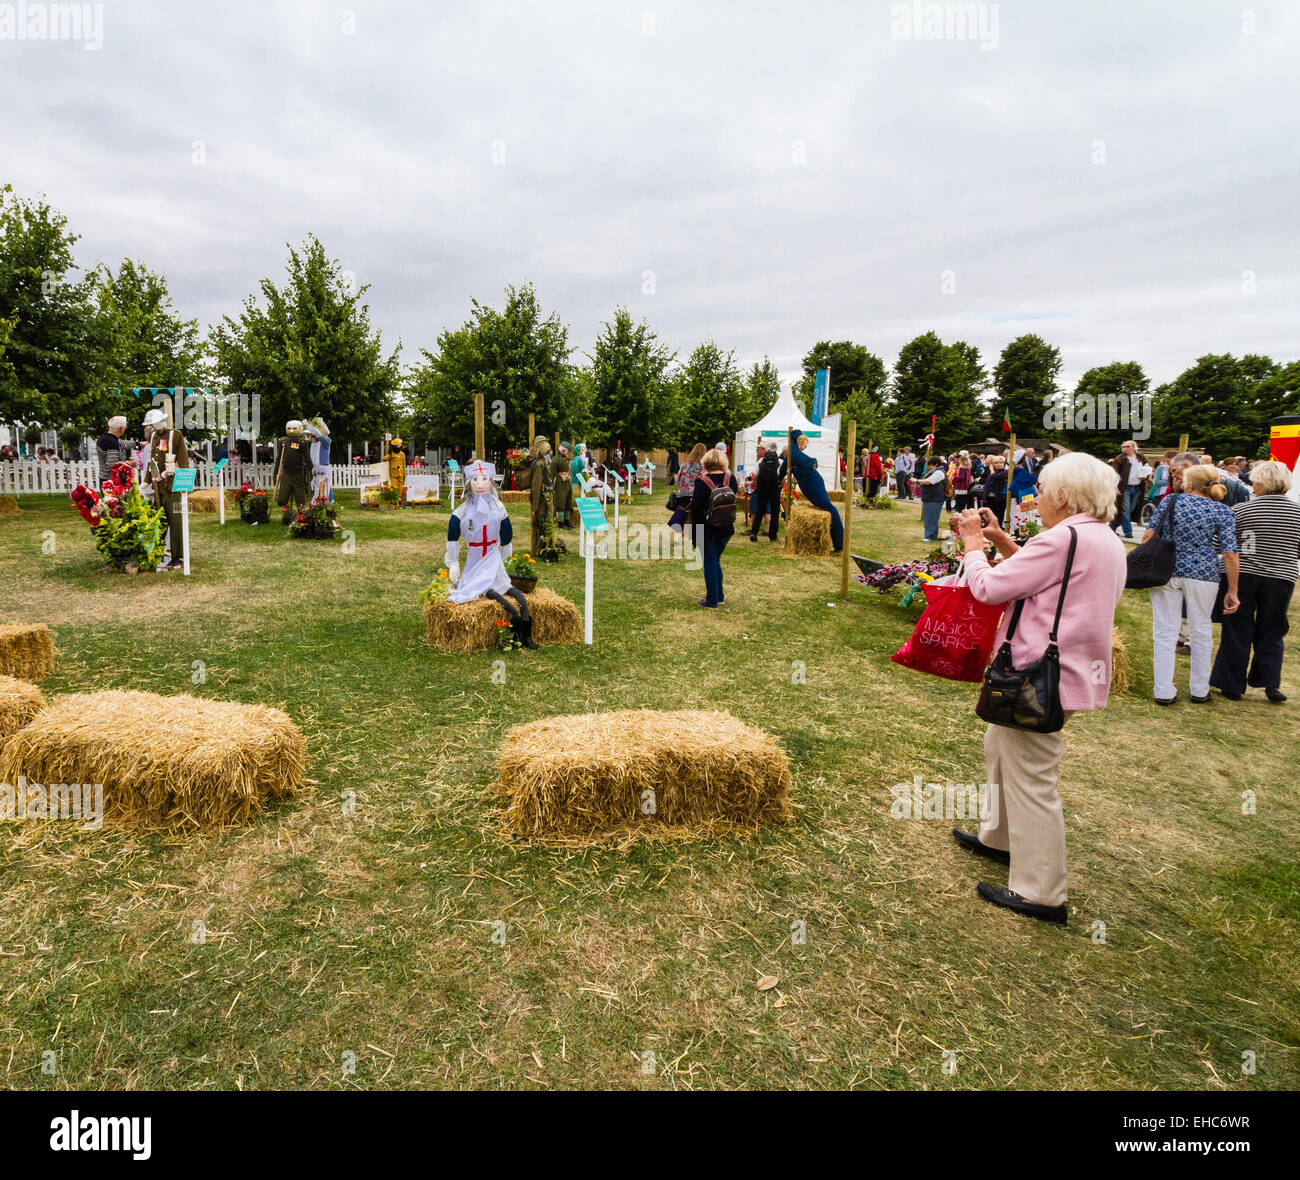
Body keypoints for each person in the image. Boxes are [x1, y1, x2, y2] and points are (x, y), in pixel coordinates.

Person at [950, 452, 1128, 925]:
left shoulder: (1064, 538)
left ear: (1064, 497)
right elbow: (1045, 577)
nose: (1036, 499)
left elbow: (990, 589)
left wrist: (972, 544)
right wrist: (1002, 540)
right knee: (1002, 748)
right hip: (1061, 671)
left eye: (1044, 492)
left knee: (1031, 774)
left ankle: (1042, 891)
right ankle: (1000, 838)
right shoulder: (1099, 538)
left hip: (1036, 673)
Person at [1143, 464, 1240, 705]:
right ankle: (1199, 689)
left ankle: (1163, 690)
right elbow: (1230, 553)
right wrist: (1233, 589)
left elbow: (1148, 534)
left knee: (1165, 630)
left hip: (1167, 567)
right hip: (1204, 572)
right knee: (1201, 629)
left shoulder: (1171, 501)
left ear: (1188, 484)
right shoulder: (1223, 511)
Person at [1209, 461, 1300, 702]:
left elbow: (1220, 544)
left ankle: (1231, 684)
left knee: (1237, 628)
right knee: (1272, 629)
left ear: (1261, 483)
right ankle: (1269, 682)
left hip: (1243, 574)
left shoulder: (1242, 510)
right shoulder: (1297, 514)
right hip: (1281, 577)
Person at [445, 459, 537, 649]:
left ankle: (526, 631)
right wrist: (453, 562)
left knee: (515, 594)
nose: (480, 483)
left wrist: (505, 556)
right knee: (498, 597)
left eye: (484, 479)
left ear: (491, 481)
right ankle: (515, 631)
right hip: (476, 561)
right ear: (470, 482)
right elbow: (453, 534)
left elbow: (507, 534)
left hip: (494, 559)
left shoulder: (498, 508)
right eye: (476, 479)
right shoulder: (462, 512)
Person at [143, 409, 190, 571]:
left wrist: (184, 484)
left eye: (155, 423)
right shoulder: (155, 437)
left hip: (172, 485)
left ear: (162, 421)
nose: (153, 427)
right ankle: (159, 552)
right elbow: (151, 462)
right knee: (160, 521)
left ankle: (178, 556)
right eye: (151, 425)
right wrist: (145, 482)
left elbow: (183, 459)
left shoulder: (176, 435)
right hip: (157, 486)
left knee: (175, 521)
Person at [690, 448, 737, 607]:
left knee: (710, 563)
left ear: (706, 462)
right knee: (715, 561)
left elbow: (696, 506)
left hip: (706, 528)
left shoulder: (702, 482)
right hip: (726, 526)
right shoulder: (731, 479)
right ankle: (719, 596)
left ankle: (712, 600)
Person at [789, 432, 844, 552]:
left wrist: (813, 463)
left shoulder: (795, 454)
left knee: (830, 509)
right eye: (804, 444)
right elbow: (787, 466)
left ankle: (840, 544)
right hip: (811, 485)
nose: (805, 447)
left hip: (814, 485)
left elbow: (812, 462)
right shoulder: (793, 453)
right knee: (829, 508)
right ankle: (839, 543)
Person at [1110, 441, 1152, 539]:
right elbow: (1113, 470)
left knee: (1129, 511)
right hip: (1125, 489)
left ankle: (1111, 528)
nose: (1125, 448)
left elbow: (1147, 468)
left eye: (1127, 446)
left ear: (1133, 447)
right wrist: (1111, 462)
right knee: (1125, 510)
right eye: (1124, 447)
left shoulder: (1140, 458)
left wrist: (1145, 476)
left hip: (1137, 488)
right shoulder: (1120, 459)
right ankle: (1128, 532)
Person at [274, 421, 313, 514]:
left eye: (294, 428)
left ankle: (301, 514)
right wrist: (275, 472)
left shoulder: (302, 441)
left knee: (300, 497)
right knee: (281, 499)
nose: (291, 430)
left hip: (298, 473)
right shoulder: (283, 441)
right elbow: (279, 458)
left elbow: (307, 458)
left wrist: (312, 471)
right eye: (289, 428)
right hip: (286, 473)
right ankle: (287, 510)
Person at [749, 441, 782, 542]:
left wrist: (757, 487)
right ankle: (773, 536)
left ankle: (754, 533)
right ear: (776, 449)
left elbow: (754, 475)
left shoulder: (761, 460)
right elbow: (783, 478)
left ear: (766, 450)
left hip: (762, 488)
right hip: (775, 489)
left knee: (760, 510)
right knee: (775, 512)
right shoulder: (780, 462)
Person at [670, 443, 705, 534]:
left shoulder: (685, 462)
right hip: (696, 494)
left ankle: (678, 538)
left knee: (682, 515)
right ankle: (693, 536)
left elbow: (678, 477)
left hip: (683, 493)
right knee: (694, 516)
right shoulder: (703, 466)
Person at [95, 415, 131, 487]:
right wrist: (128, 463)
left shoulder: (108, 438)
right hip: (112, 483)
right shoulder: (110, 442)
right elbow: (113, 465)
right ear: (121, 429)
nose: (126, 428)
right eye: (125, 426)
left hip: (106, 480)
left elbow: (123, 444)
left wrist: (139, 444)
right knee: (115, 499)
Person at [918, 464, 946, 541]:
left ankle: (929, 536)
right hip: (931, 498)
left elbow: (929, 481)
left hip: (935, 498)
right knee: (930, 518)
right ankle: (933, 536)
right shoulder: (935, 471)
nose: (929, 467)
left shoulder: (939, 472)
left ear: (935, 464)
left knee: (931, 518)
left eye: (930, 465)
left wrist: (917, 480)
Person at [552, 441, 574, 528]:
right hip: (560, 482)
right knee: (561, 501)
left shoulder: (567, 459)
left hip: (568, 482)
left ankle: (567, 521)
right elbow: (552, 472)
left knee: (568, 501)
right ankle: (561, 523)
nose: (566, 451)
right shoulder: (556, 459)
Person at [982, 454, 1008, 523]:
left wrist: (991, 470)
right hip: (989, 498)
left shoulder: (1005, 472)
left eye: (1000, 462)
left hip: (999, 498)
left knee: (998, 517)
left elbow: (997, 477)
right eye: (996, 463)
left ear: (1004, 463)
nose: (998, 464)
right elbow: (987, 485)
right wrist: (984, 497)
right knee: (989, 516)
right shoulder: (991, 472)